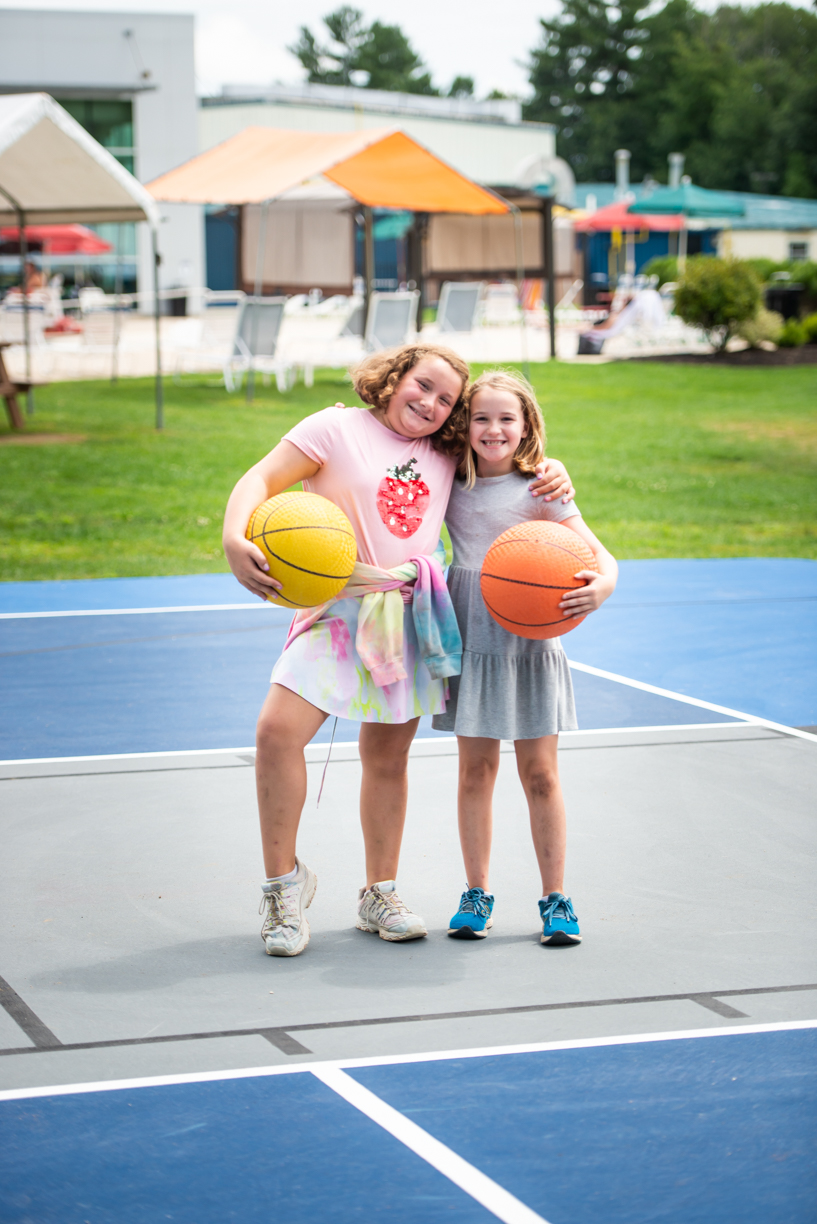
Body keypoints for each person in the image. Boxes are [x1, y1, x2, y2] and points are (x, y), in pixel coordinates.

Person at [222, 346, 574, 957]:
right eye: (422, 385)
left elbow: (508, 451)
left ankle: (378, 892)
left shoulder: (446, 450)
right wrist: (233, 535)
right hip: (338, 604)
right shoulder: (332, 428)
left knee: (386, 758)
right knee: (277, 732)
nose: (430, 403)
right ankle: (283, 887)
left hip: (410, 611)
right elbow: (259, 479)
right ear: (392, 378)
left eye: (445, 400)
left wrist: (556, 470)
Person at [432, 369, 618, 946]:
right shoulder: (446, 481)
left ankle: (556, 900)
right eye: (481, 418)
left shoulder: (542, 487)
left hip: (531, 642)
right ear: (463, 426)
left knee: (540, 774)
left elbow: (600, 555)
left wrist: (605, 584)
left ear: (527, 426)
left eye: (506, 418)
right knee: (475, 772)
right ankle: (476, 893)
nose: (493, 429)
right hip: (471, 636)